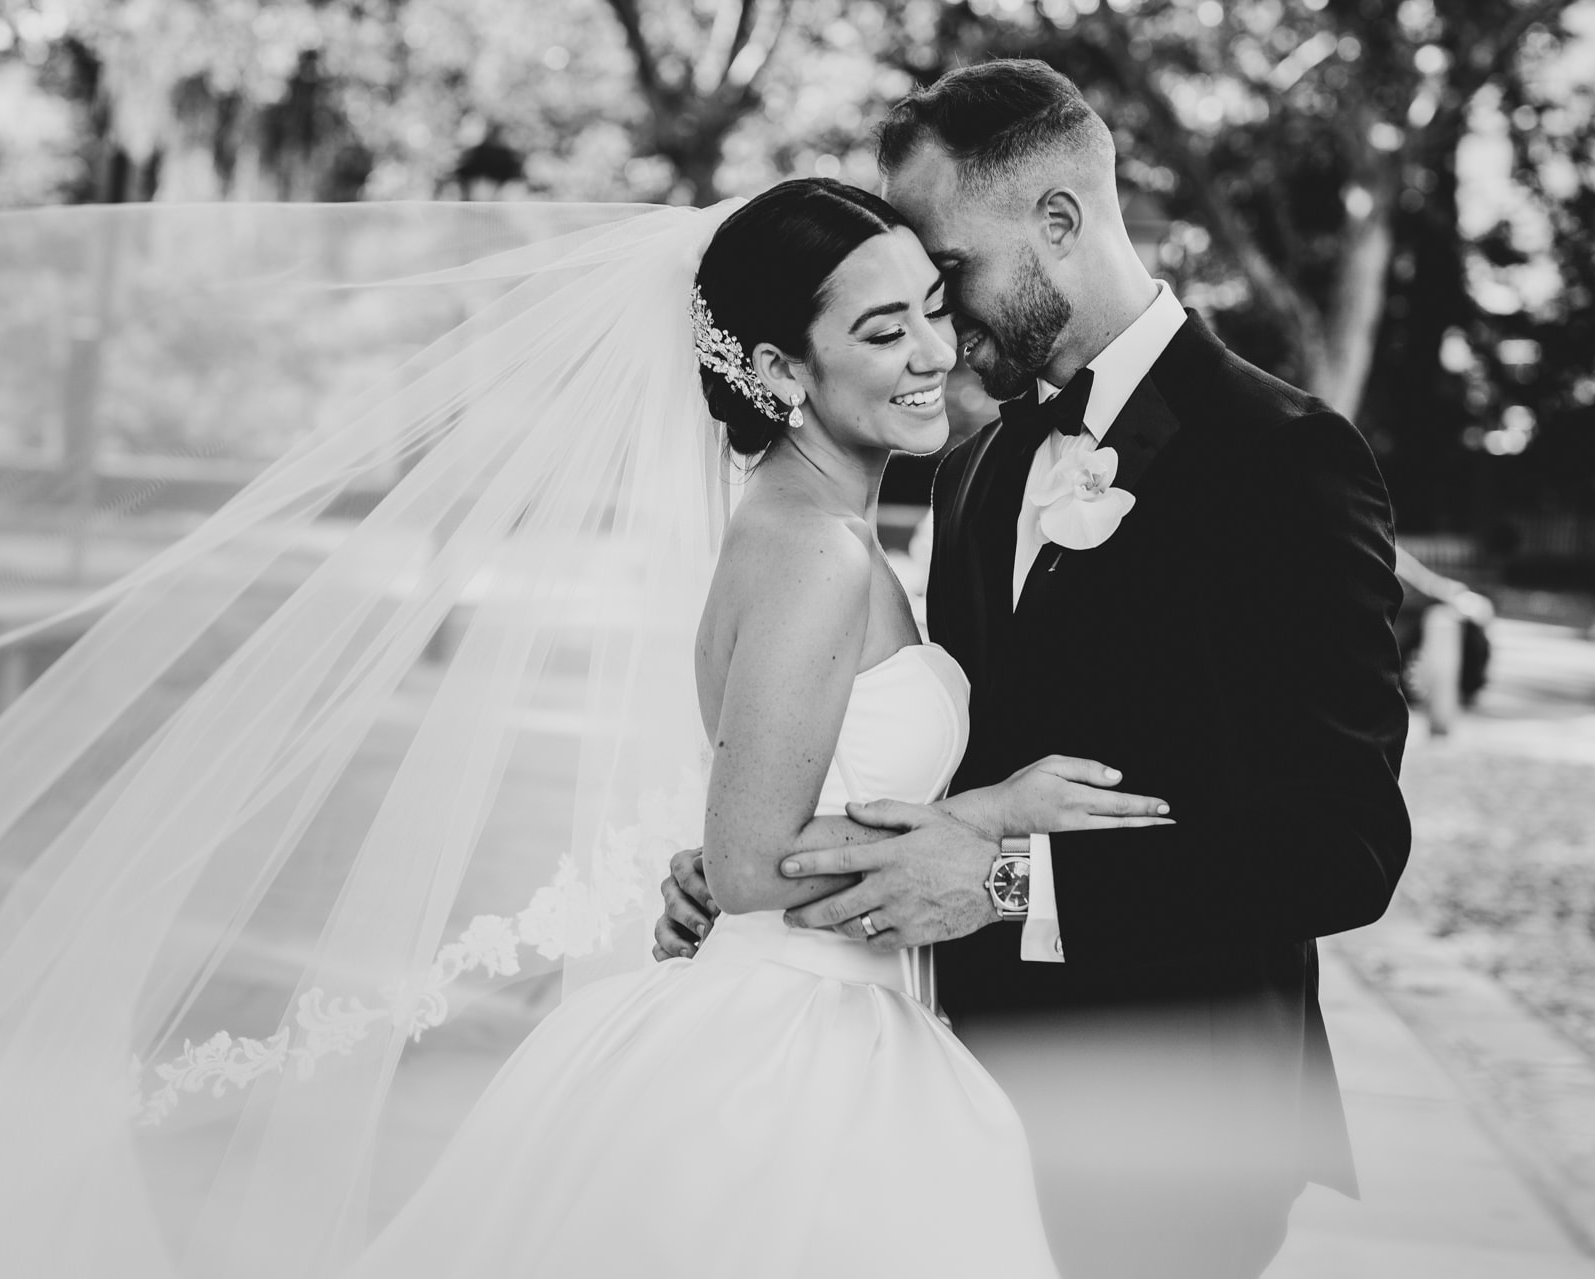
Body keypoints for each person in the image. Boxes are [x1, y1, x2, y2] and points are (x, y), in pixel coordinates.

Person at [656, 61, 1413, 1279]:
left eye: (944, 273)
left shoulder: (1283, 462)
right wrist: (765, 857)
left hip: (1169, 1128)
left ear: (1056, 223)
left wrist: (1009, 881)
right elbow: (928, 747)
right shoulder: (973, 468)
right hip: (944, 1091)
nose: (935, 325)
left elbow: (1340, 847)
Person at [341, 177, 1173, 1278]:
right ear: (780, 370)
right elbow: (745, 865)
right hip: (790, 1060)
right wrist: (986, 813)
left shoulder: (814, 528)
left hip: (821, 1013)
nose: (932, 349)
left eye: (932, 305)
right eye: (883, 330)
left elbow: (761, 812)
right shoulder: (814, 555)